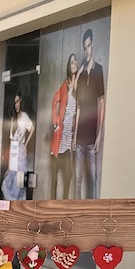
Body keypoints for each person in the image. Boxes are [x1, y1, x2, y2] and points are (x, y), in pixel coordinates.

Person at [73, 27, 106, 199]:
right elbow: (78, 107)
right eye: (84, 47)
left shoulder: (98, 70)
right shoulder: (80, 74)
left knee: (93, 181)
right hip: (79, 140)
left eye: (89, 46)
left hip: (92, 139)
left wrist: (99, 135)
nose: (86, 50)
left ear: (92, 45)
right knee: (78, 181)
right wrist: (74, 137)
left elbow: (101, 103)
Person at [49, 54, 79, 199]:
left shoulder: (78, 86)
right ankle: (53, 205)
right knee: (55, 177)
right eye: (71, 62)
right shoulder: (64, 86)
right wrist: (56, 123)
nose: (74, 64)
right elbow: (54, 102)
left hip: (69, 137)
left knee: (69, 174)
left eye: (75, 61)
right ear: (68, 66)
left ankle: (64, 204)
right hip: (61, 137)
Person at [1, 91, 33, 201]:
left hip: (21, 153)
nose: (16, 104)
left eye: (18, 101)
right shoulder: (13, 119)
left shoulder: (25, 117)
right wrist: (9, 165)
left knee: (20, 183)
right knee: (8, 182)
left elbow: (32, 128)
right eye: (15, 102)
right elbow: (12, 142)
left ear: (21, 102)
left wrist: (26, 144)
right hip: (14, 153)